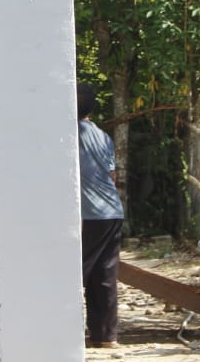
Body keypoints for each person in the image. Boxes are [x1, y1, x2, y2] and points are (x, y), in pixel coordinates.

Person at [77, 82, 124, 350]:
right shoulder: (102, 136)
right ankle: (105, 336)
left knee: (77, 273)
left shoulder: (68, 134)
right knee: (103, 276)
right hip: (112, 211)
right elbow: (112, 175)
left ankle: (67, 332)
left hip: (90, 215)